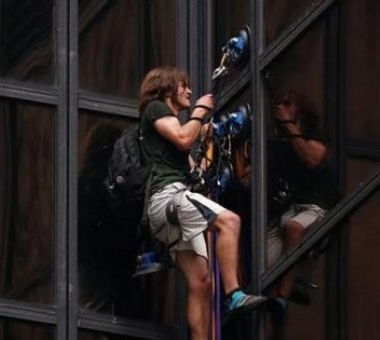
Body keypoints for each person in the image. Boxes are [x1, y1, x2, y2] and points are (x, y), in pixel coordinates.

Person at [139, 66, 270, 340]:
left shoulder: (170, 131)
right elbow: (185, 137)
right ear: (166, 88)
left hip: (172, 208)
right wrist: (200, 110)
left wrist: (217, 131)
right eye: (182, 86)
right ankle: (234, 295)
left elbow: (192, 145)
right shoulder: (155, 109)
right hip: (167, 199)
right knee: (230, 221)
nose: (188, 90)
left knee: (201, 282)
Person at [266, 89, 340, 324]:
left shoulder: (313, 130)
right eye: (279, 104)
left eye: (288, 103)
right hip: (288, 205)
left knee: (293, 228)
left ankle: (282, 298)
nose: (282, 108)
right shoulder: (276, 138)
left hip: (316, 205)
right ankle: (287, 286)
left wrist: (289, 125)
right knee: (265, 263)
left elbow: (312, 159)